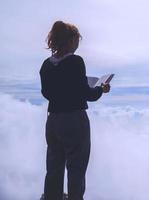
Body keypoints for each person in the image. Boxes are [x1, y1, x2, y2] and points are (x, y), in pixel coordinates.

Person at [39, 20, 110, 200]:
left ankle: (51, 197)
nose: (78, 44)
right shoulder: (76, 62)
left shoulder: (45, 66)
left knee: (54, 166)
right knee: (76, 167)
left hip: (53, 120)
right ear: (70, 41)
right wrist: (101, 88)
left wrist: (64, 92)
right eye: (77, 40)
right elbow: (87, 94)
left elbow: (46, 93)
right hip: (74, 120)